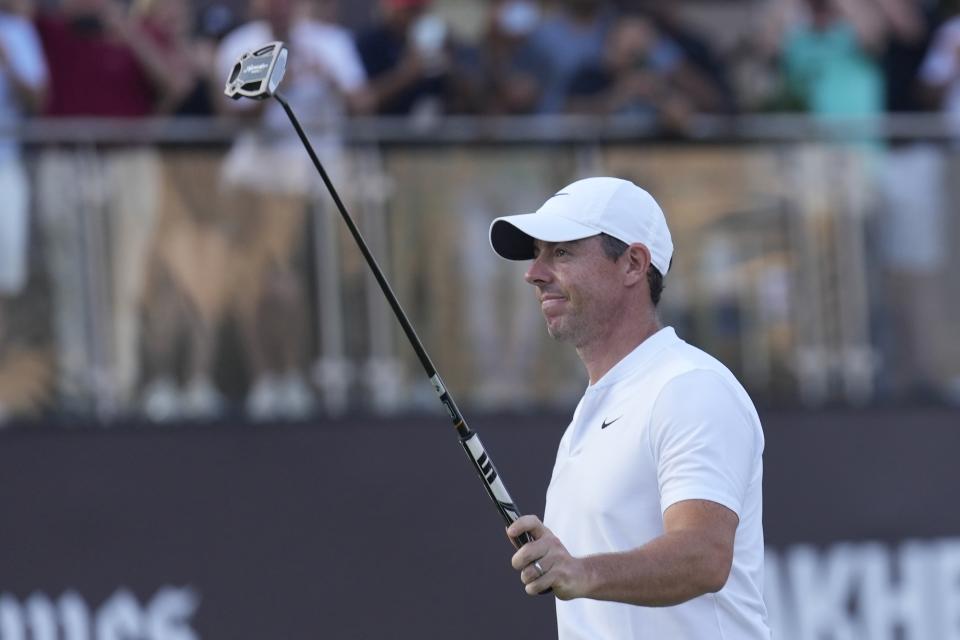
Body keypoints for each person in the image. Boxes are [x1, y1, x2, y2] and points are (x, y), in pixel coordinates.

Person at [488, 177, 769, 638]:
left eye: (560, 252)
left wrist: (582, 572)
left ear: (633, 264)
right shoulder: (595, 407)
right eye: (537, 253)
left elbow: (703, 556)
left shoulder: (689, 387)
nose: (533, 272)